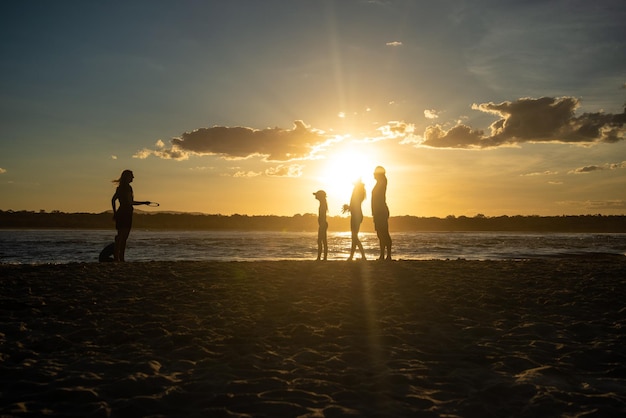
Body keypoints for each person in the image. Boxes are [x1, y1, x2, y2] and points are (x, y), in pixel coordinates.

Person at [111, 170, 151, 262]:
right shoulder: (128, 188)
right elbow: (131, 202)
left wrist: (115, 212)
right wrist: (144, 202)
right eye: (132, 176)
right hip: (126, 213)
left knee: (120, 235)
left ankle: (117, 257)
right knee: (124, 237)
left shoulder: (119, 188)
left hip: (120, 212)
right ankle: (121, 258)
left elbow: (113, 200)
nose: (133, 178)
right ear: (127, 177)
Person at [342, 179, 366, 261]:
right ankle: (353, 256)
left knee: (354, 236)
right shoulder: (360, 192)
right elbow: (355, 205)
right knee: (354, 236)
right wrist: (349, 207)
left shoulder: (357, 192)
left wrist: (348, 207)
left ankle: (361, 255)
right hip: (357, 215)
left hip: (356, 215)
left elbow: (354, 205)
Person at [372, 166, 392, 260]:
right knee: (380, 234)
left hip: (381, 211)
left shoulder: (382, 182)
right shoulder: (378, 183)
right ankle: (382, 255)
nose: (373, 174)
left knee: (384, 233)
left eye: (375, 173)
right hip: (377, 212)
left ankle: (388, 255)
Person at [313, 190, 328, 261]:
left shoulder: (323, 204)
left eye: (317, 195)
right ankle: (323, 257)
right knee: (323, 241)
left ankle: (320, 257)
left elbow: (322, 216)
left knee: (320, 241)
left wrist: (321, 224)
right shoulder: (322, 203)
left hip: (323, 224)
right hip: (323, 224)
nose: (315, 196)